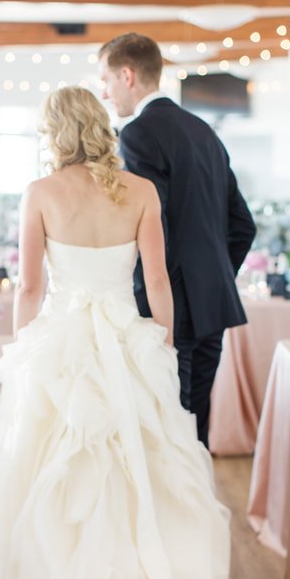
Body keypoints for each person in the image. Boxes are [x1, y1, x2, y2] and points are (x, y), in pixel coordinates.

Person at [0, 86, 290, 579]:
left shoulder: (39, 191)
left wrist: (21, 351)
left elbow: (31, 290)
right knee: (141, 475)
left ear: (55, 133)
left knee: (52, 480)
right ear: (100, 126)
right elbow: (157, 280)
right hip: (127, 342)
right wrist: (160, 345)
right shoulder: (141, 191)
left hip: (64, 346)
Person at [98, 33, 256, 447]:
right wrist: (213, 274)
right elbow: (242, 225)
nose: (105, 92)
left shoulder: (135, 134)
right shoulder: (205, 132)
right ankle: (199, 510)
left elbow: (154, 229)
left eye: (107, 79)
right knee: (194, 430)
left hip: (169, 312)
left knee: (168, 433)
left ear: (127, 75)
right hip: (213, 306)